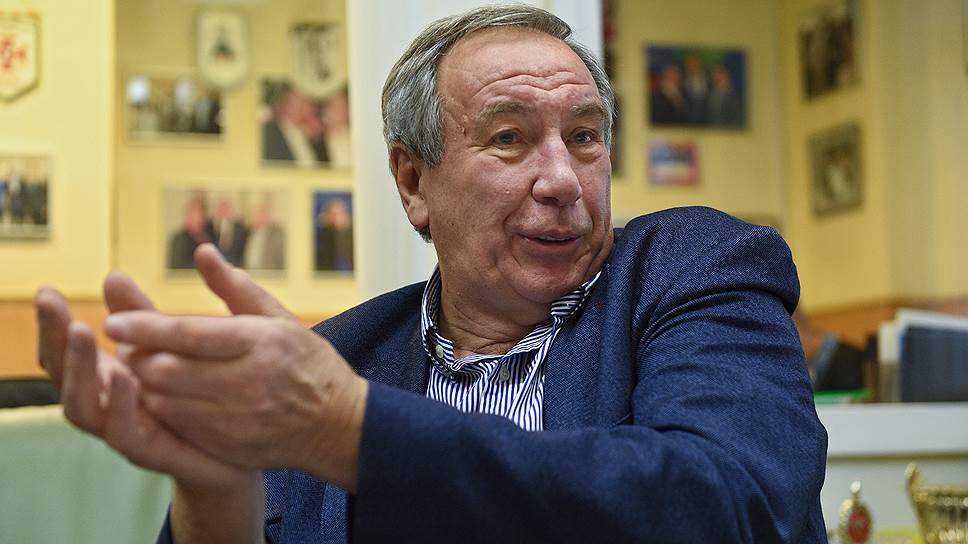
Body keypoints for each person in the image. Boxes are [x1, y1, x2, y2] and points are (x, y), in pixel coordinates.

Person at [35, 5, 827, 542]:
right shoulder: (338, 359)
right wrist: (217, 490)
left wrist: (350, 431)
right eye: (510, 138)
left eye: (585, 137)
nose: (563, 178)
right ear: (414, 183)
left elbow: (735, 509)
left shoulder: (693, 270)